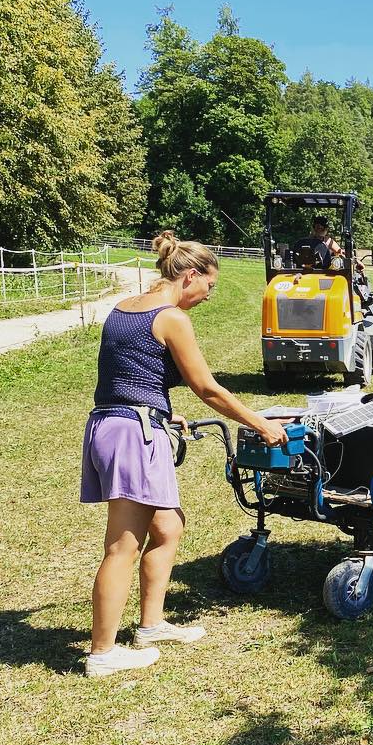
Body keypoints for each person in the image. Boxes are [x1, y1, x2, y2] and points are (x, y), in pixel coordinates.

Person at [80, 231, 288, 678]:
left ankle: (151, 625)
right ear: (190, 275)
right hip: (133, 434)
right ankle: (102, 653)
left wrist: (162, 414)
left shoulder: (123, 309)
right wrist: (261, 424)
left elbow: (129, 374)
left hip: (113, 424)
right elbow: (207, 388)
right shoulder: (171, 316)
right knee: (122, 546)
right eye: (209, 286)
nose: (208, 296)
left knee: (169, 525)